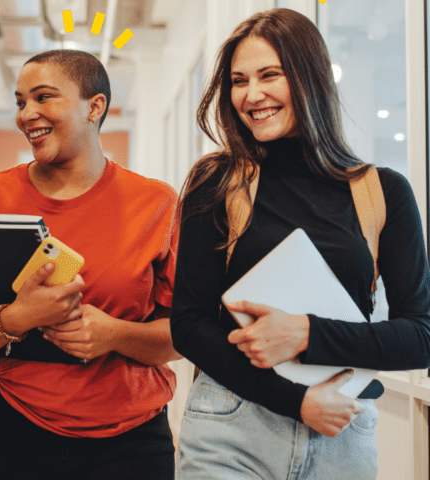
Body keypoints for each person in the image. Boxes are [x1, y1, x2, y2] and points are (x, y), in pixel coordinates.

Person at [170, 8, 430, 479]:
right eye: (238, 80)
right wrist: (297, 401)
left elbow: (420, 336)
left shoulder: (382, 191)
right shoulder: (217, 183)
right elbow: (188, 323)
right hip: (232, 426)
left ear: (310, 77)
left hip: (341, 429)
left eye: (270, 75)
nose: (252, 95)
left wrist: (307, 333)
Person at [0, 49, 180, 479]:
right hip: (9, 432)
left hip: (130, 441)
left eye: (44, 97)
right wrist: (14, 318)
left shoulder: (156, 203)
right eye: (21, 101)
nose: (28, 113)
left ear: (94, 107)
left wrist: (113, 334)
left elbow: (182, 336)